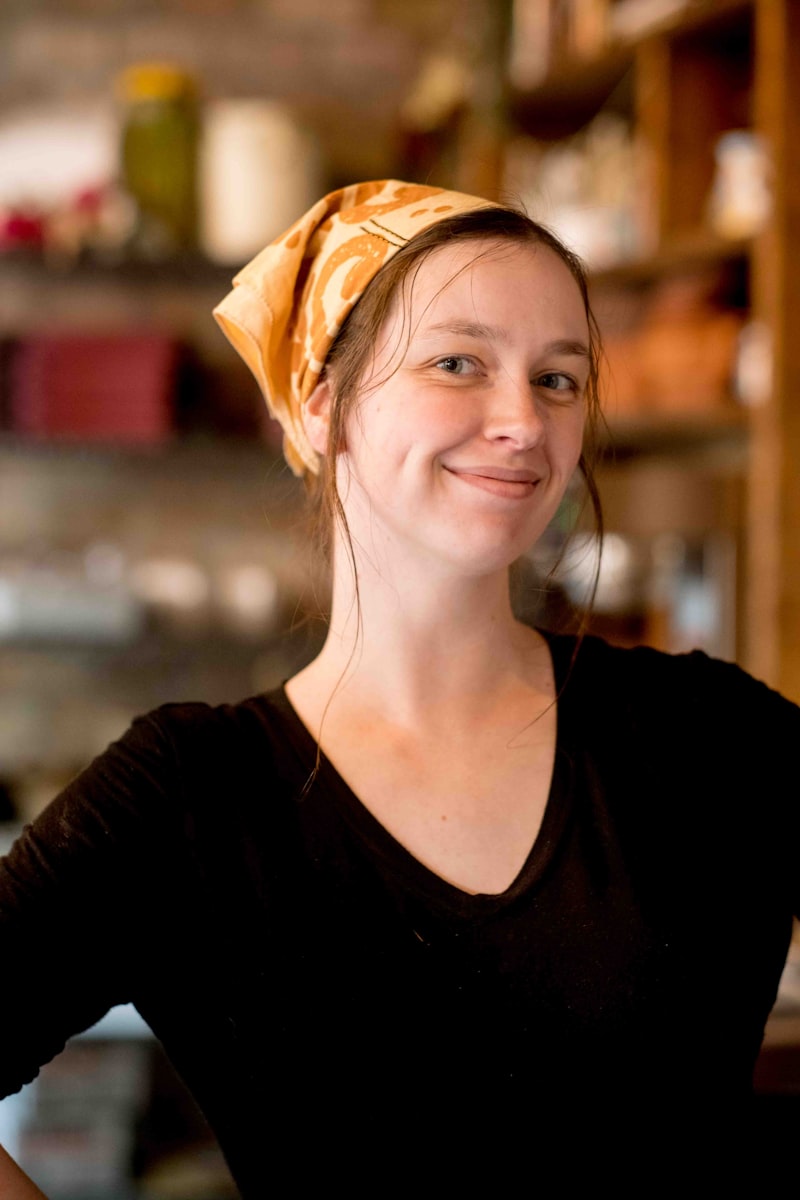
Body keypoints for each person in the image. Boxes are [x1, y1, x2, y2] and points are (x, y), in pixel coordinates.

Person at [1, 180, 798, 1196]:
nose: (520, 420)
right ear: (325, 407)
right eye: (456, 363)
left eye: (557, 379)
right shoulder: (187, 797)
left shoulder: (704, 737)